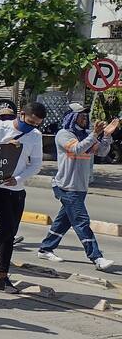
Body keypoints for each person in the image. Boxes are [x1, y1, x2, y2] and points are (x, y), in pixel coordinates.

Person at [0, 102, 46, 292]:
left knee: (10, 233)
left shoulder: (35, 136)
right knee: (6, 227)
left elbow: (36, 164)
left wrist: (19, 178)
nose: (32, 126)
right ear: (21, 115)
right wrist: (4, 147)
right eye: (30, 122)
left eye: (36, 124)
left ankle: (2, 278)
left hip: (17, 187)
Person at [36, 104, 118, 270]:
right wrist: (95, 134)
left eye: (85, 116)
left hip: (80, 186)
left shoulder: (87, 135)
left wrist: (107, 136)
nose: (84, 118)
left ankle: (45, 248)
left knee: (64, 221)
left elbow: (101, 152)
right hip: (66, 186)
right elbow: (76, 148)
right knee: (81, 221)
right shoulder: (63, 135)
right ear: (71, 117)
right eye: (80, 116)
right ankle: (96, 257)